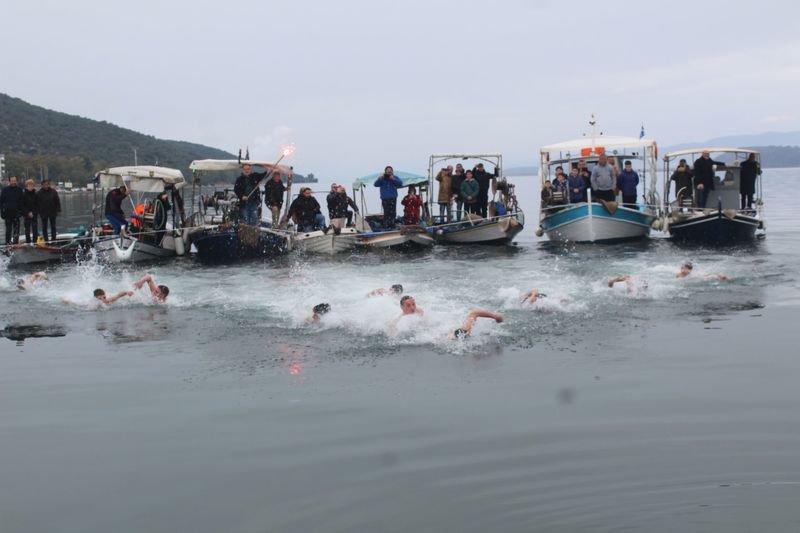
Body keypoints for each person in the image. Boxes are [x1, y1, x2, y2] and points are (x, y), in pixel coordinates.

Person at [1, 175, 23, 244]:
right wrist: (2, 213)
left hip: (16, 213)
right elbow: (1, 202)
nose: (13, 182)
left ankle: (15, 243)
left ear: (16, 181)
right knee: (8, 230)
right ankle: (7, 243)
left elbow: (21, 202)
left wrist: (20, 212)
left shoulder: (19, 190)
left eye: (14, 181)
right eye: (12, 181)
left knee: (16, 230)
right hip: (7, 213)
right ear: (9, 181)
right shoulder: (5, 190)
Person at [21, 179, 39, 244]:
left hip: (34, 214)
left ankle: (35, 242)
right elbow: (22, 205)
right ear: (26, 186)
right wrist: (28, 213)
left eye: (31, 185)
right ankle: (28, 242)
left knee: (35, 229)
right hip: (26, 215)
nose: (30, 186)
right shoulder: (23, 195)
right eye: (29, 185)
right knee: (27, 229)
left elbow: (37, 205)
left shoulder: (36, 194)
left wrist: (33, 212)